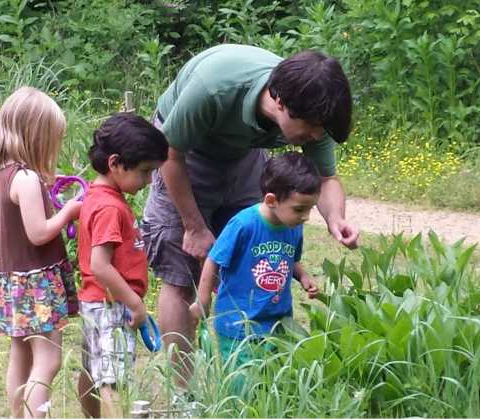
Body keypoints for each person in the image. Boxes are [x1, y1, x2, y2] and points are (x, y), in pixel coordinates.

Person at [142, 44, 359, 380]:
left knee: (252, 253)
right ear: (280, 102)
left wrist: (335, 218)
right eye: (312, 127)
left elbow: (326, 177)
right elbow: (170, 153)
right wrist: (194, 226)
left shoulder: (313, 109)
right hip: (181, 152)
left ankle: (249, 373)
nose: (316, 136)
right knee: (179, 271)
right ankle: (184, 392)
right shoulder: (213, 87)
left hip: (243, 154)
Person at [0, 86, 81, 418]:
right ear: (35, 136)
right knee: (49, 360)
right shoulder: (25, 178)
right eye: (51, 139)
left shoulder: (0, 175)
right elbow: (39, 233)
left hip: (13, 280)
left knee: (21, 355)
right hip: (36, 284)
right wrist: (69, 211)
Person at [189, 152, 320, 370]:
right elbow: (214, 259)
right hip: (239, 325)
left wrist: (304, 275)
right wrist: (203, 299)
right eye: (299, 209)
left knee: (270, 384)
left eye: (310, 208)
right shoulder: (243, 225)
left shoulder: (293, 227)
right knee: (242, 387)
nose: (306, 216)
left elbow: (291, 259)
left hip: (278, 323)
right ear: (271, 200)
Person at [75, 113, 169, 417]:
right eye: (144, 172)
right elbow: (100, 265)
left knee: (92, 372)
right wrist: (135, 303)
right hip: (112, 306)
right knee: (111, 381)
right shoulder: (109, 207)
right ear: (115, 163)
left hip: (95, 303)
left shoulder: (98, 196)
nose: (147, 181)